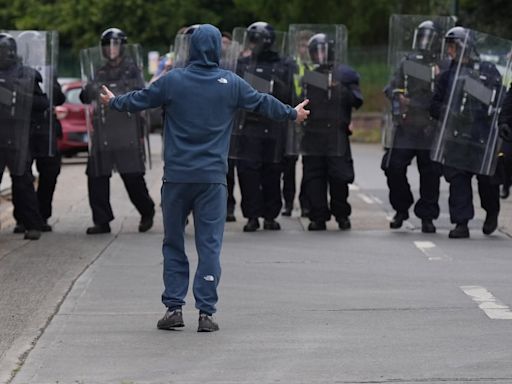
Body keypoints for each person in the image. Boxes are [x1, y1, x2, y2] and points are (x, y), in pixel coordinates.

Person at [99, 24, 309, 332]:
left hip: (177, 179)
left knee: (173, 242)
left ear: (192, 48)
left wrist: (114, 101)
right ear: (218, 49)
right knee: (209, 244)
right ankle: (206, 313)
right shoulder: (231, 83)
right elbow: (263, 102)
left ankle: (173, 308)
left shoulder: (173, 81)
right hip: (212, 179)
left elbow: (141, 99)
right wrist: (292, 113)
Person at [80, 28, 155, 234]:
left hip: (125, 131)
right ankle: (101, 221)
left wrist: (117, 94)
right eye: (107, 46)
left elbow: (139, 94)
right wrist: (89, 90)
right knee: (96, 177)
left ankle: (147, 210)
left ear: (122, 47)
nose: (111, 49)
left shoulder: (132, 70)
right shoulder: (100, 71)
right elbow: (86, 96)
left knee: (132, 178)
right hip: (103, 131)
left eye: (114, 45)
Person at [430, 26, 502, 238]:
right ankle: (461, 222)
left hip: (482, 135)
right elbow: (434, 105)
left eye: (453, 46)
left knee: (487, 182)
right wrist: (450, 113)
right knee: (458, 179)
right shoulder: (446, 75)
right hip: (457, 137)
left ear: (464, 47)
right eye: (449, 46)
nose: (449, 51)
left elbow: (498, 98)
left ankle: (491, 212)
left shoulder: (487, 70)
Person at [382, 20, 443, 233]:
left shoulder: (441, 66)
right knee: (392, 166)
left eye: (430, 37)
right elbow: (390, 88)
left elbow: (442, 98)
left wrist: (414, 102)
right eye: (422, 36)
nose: (425, 42)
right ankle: (401, 207)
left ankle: (427, 216)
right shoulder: (406, 62)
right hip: (407, 126)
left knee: (430, 173)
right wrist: (397, 96)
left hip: (429, 127)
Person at [233, 21, 295, 232]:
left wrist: (264, 85)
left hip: (274, 124)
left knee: (272, 170)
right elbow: (238, 90)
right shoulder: (242, 63)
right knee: (247, 171)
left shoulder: (283, 64)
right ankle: (251, 215)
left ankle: (270, 215)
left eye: (255, 40)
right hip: (248, 125)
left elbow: (287, 93)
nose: (251, 44)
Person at [299, 32, 363, 230]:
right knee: (314, 177)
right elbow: (301, 101)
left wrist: (338, 88)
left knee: (339, 177)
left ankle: (341, 214)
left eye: (322, 51)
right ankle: (318, 216)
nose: (319, 55)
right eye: (315, 52)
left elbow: (357, 101)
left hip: (336, 134)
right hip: (313, 134)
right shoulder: (310, 77)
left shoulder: (345, 74)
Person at [0, 32, 49, 240]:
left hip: (17, 135)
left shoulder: (26, 74)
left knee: (23, 181)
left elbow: (42, 104)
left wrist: (16, 97)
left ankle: (32, 224)